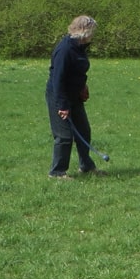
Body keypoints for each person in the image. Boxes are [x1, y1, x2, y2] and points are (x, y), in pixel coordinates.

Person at [45, 15, 103, 178]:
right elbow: (58, 79)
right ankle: (57, 172)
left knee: (83, 131)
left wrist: (82, 86)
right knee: (64, 136)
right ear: (85, 31)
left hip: (75, 95)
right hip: (59, 95)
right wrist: (62, 105)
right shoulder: (65, 49)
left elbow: (77, 71)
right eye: (92, 31)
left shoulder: (80, 46)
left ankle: (86, 166)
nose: (94, 34)